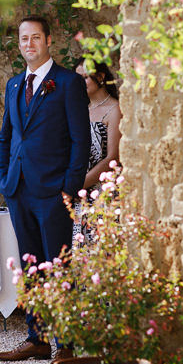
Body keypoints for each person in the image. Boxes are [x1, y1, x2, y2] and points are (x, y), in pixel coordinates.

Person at [0, 16, 91, 364]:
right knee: (31, 265)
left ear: (49, 40)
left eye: (36, 37)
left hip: (54, 192)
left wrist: (69, 188)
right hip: (19, 189)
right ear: (18, 43)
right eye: (23, 38)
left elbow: (82, 141)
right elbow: (6, 136)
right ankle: (37, 338)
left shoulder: (67, 83)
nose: (29, 44)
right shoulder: (14, 85)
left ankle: (66, 345)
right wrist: (3, 177)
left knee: (59, 265)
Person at [72, 58, 121, 244]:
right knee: (80, 250)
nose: (79, 83)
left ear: (100, 77)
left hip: (101, 191)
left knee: (100, 248)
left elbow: (113, 158)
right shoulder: (81, 109)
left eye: (84, 78)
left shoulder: (115, 109)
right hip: (79, 193)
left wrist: (83, 184)